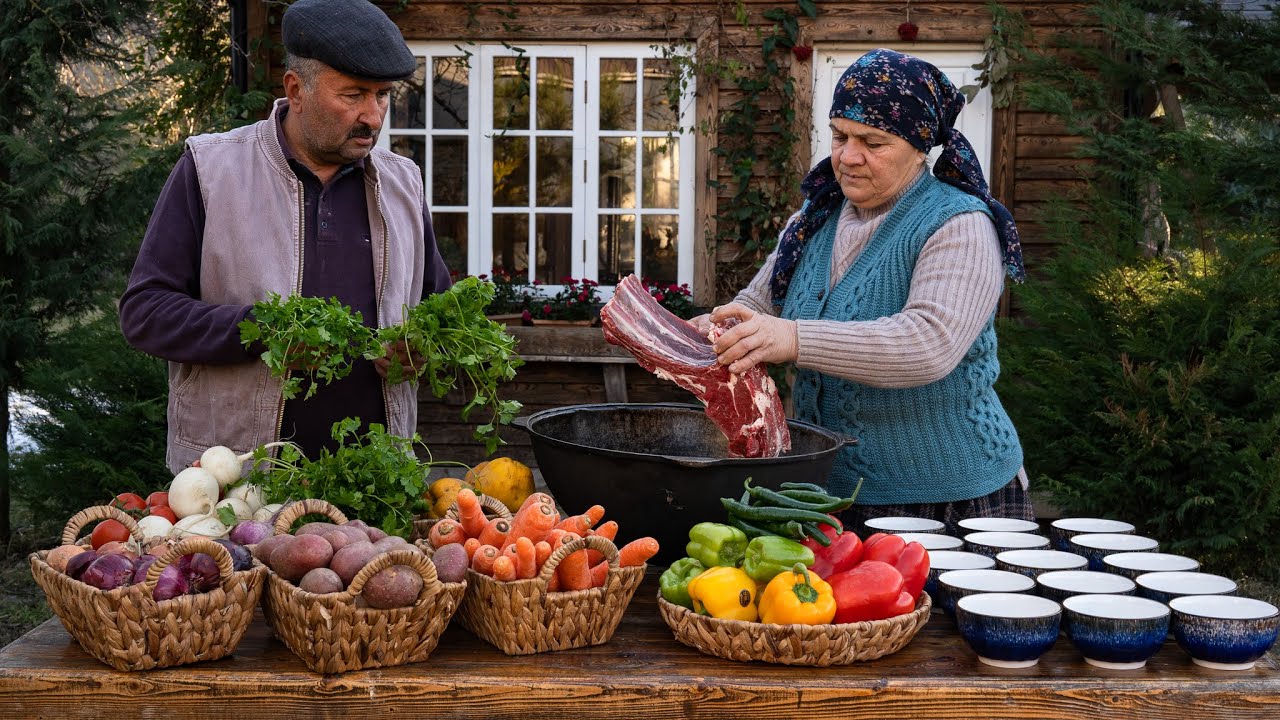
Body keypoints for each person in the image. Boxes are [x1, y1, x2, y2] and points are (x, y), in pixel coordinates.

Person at [698, 48, 1032, 535]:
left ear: (920, 148)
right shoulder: (813, 220)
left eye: (872, 141)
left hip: (951, 501)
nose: (848, 156)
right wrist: (709, 330)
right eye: (840, 136)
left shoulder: (959, 224)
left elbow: (930, 343)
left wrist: (794, 339)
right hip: (825, 495)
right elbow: (758, 304)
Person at [119, 0, 451, 474]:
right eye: (353, 95)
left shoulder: (404, 183)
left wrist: (421, 347)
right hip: (235, 485)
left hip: (375, 484)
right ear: (295, 89)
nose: (373, 117)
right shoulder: (212, 170)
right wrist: (263, 332)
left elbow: (439, 310)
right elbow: (144, 313)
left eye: (382, 95)